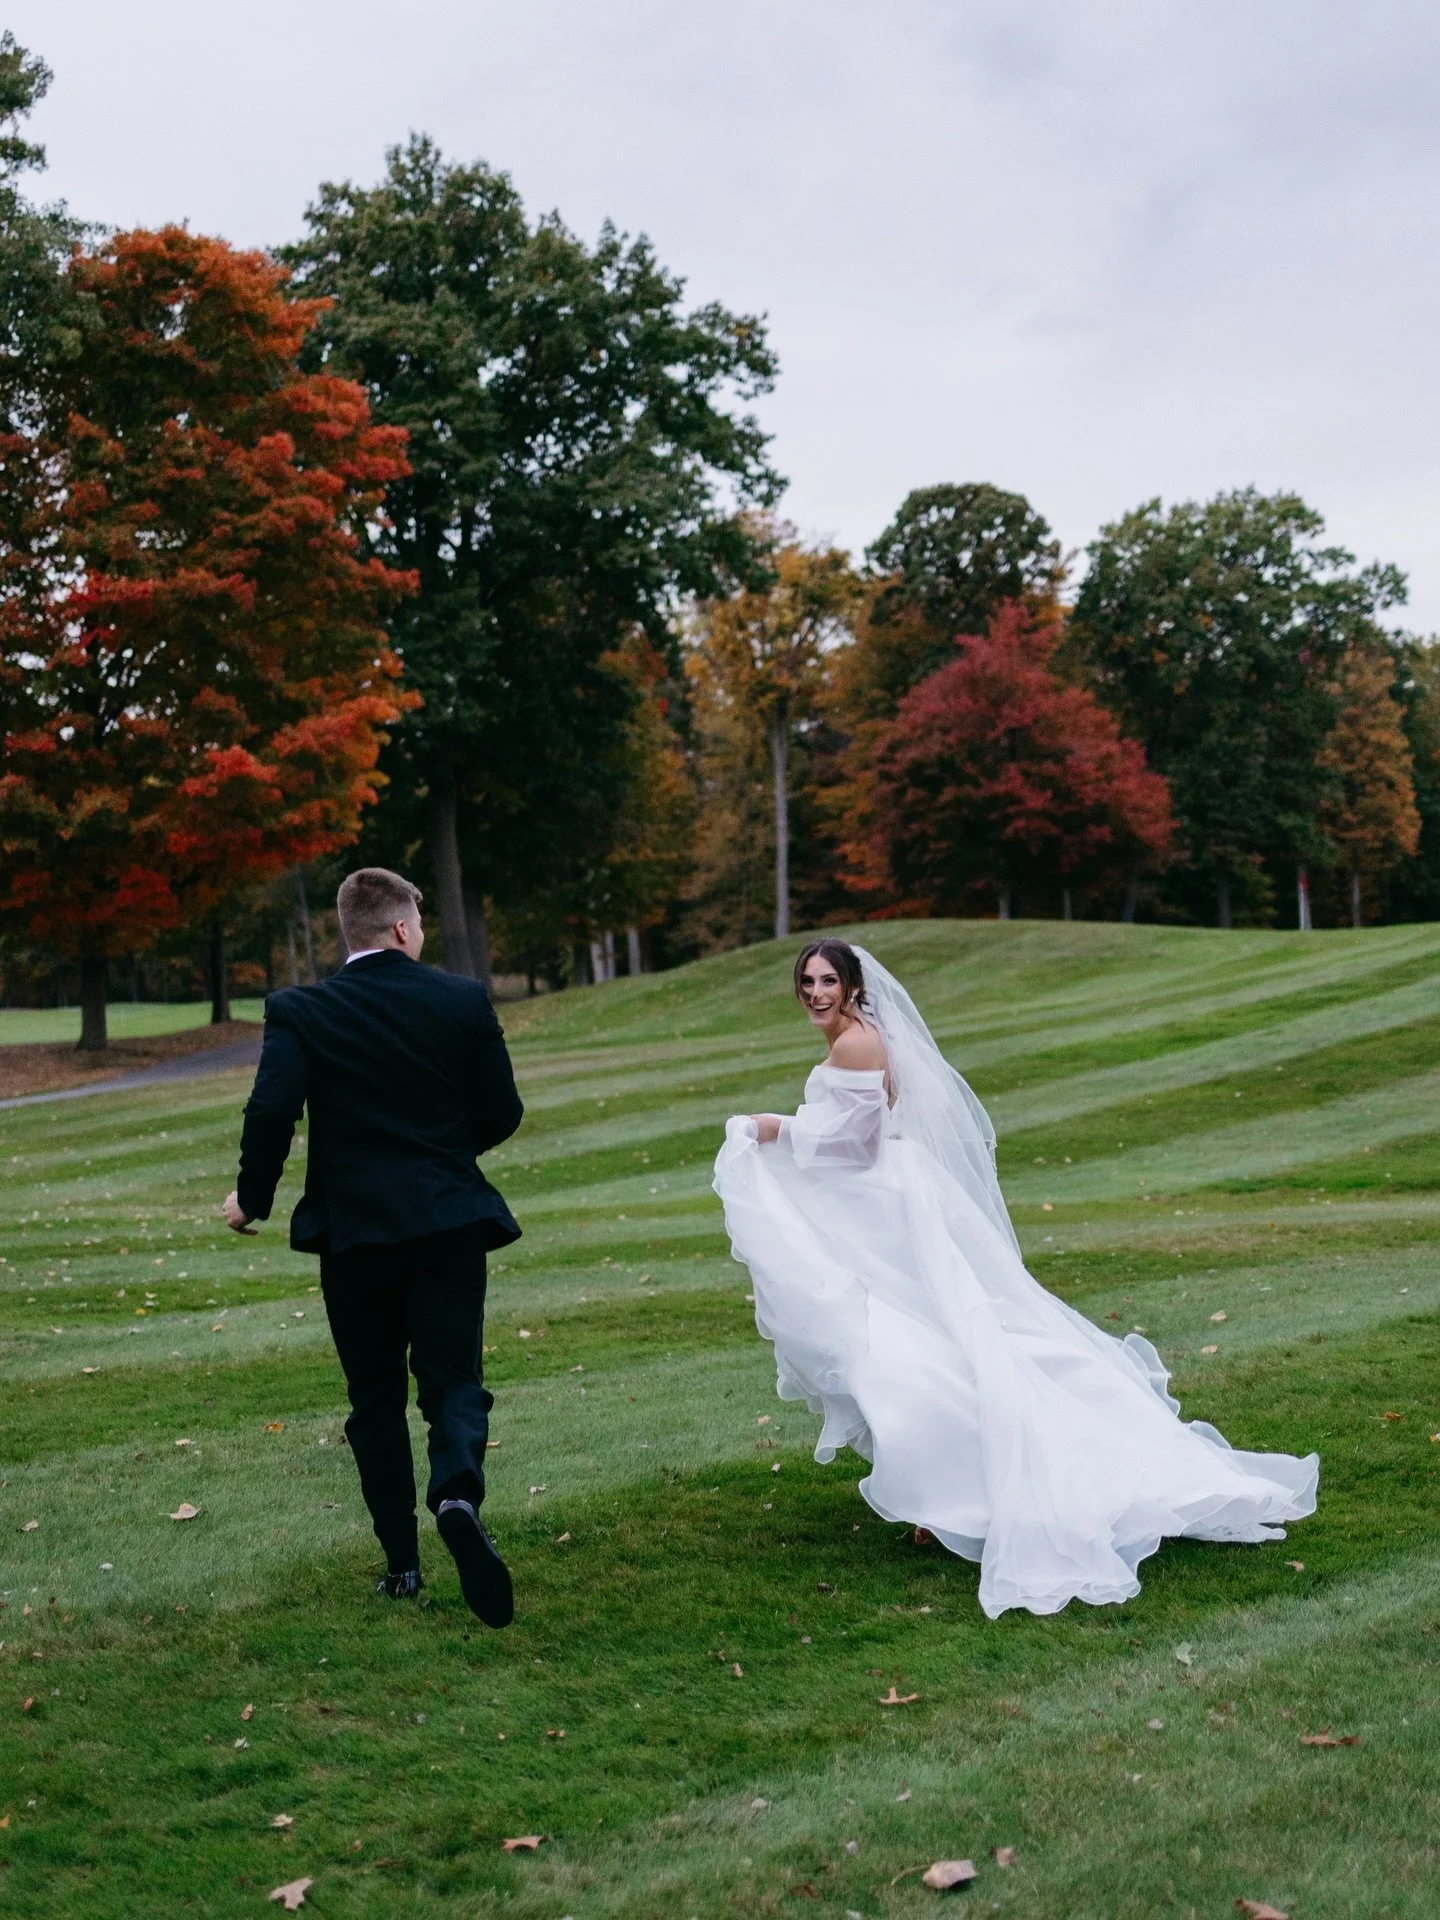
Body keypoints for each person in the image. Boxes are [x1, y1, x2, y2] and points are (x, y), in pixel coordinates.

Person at [712, 938, 1318, 1620]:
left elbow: (856, 1146)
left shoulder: (856, 1045)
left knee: (909, 1349)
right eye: (807, 981)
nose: (815, 992)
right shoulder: (865, 1036)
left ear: (853, 986)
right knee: (929, 1341)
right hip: (888, 1203)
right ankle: (950, 1493)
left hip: (883, 1207)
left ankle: (967, 1493)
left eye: (828, 980)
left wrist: (773, 1128)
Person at [221, 867, 523, 1626]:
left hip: (353, 1233)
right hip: (448, 1221)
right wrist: (448, 1155)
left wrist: (251, 1200)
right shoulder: (460, 999)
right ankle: (456, 1493)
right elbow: (504, 1110)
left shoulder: (301, 1010)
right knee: (454, 1381)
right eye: (417, 924)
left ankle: (402, 1564)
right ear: (399, 929)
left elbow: (270, 1112)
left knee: (374, 1398)